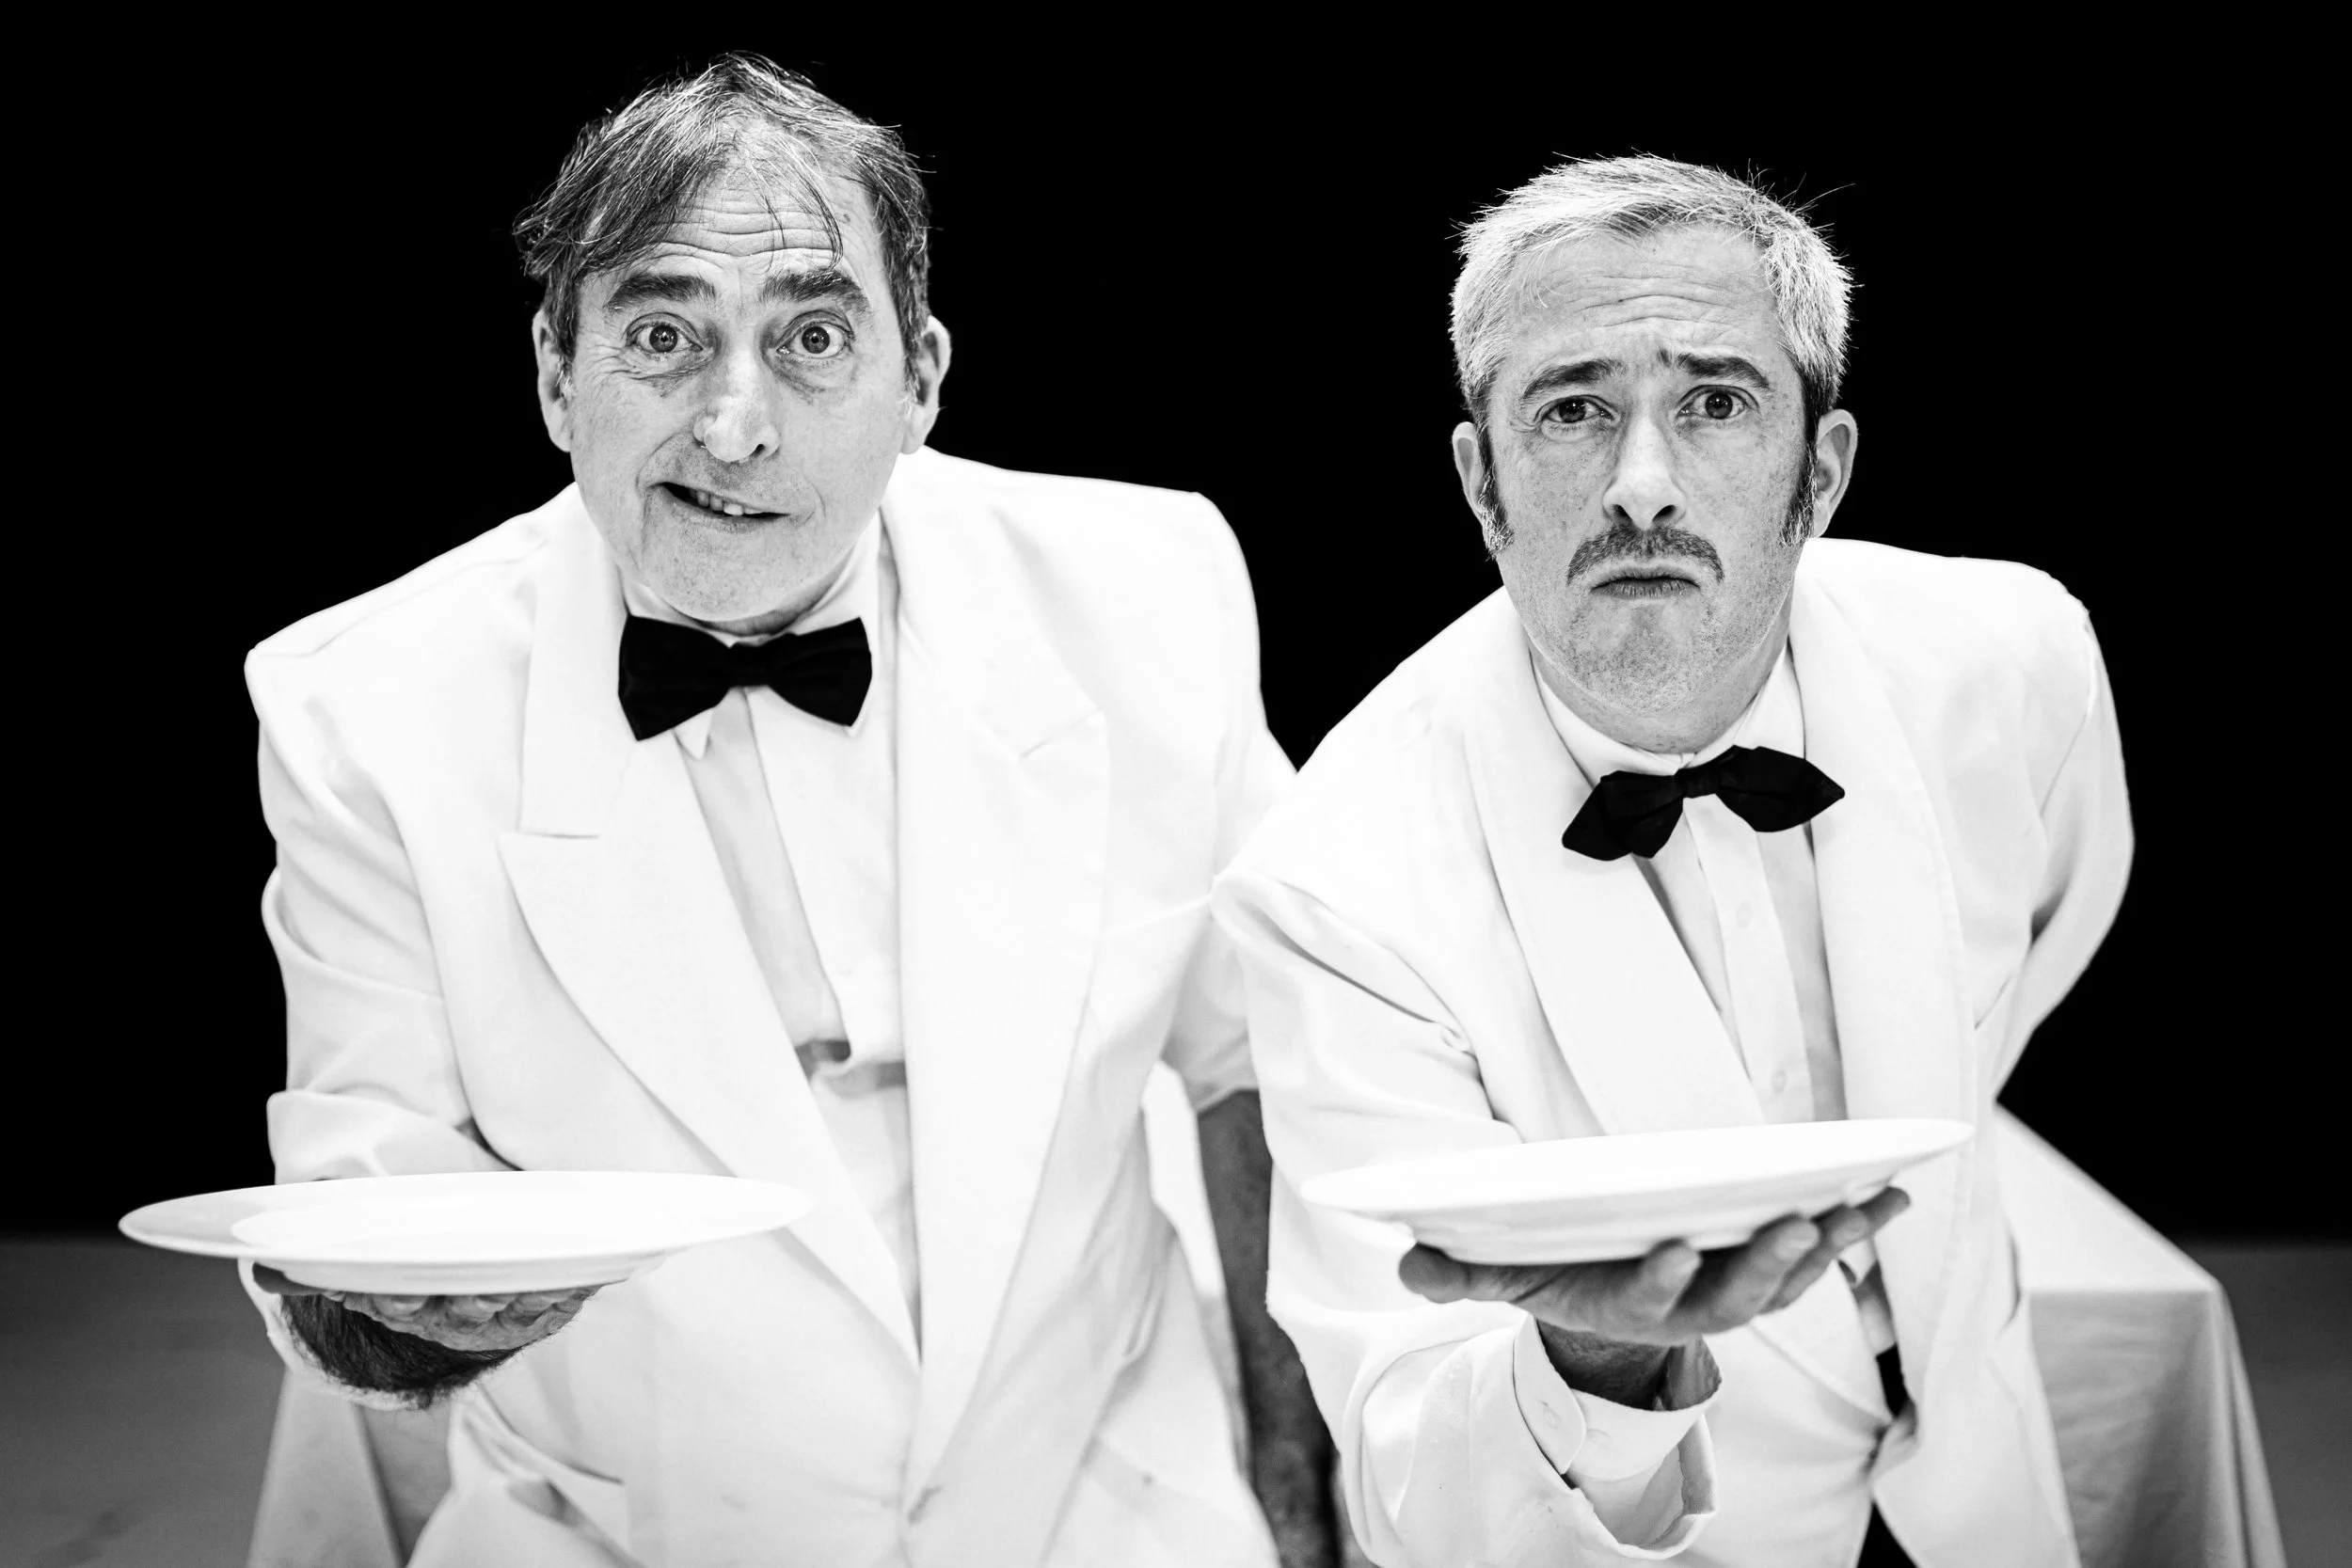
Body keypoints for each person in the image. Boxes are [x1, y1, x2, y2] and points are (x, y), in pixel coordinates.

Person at [241, 54, 1337, 1568]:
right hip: (613, 1531)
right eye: (663, 336)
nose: (735, 424)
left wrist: (1293, 1459)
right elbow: (359, 1215)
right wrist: (396, 1318)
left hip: (1106, 1489)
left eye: (813, 336)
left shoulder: (1150, 596)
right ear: (558, 380)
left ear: (923, 384)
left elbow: (1256, 1067)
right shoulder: (362, 709)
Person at [1212, 156, 2130, 1566]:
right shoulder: (1333, 881)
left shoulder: (2013, 670)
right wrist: (1599, 1358)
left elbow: (2027, 957)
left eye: (1715, 402)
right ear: (1482, 480)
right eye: (1573, 410)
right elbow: (1413, 1468)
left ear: (1820, 470)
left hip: (1984, 1483)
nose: (1642, 484)